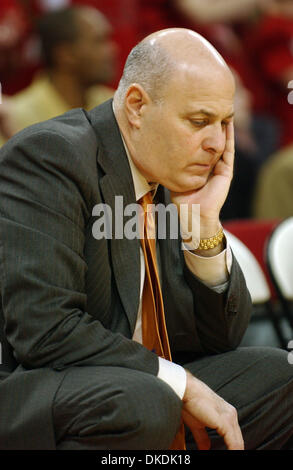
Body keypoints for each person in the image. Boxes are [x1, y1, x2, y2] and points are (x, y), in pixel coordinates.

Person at [0, 27, 293, 451]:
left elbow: (220, 340)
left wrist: (204, 229)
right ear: (137, 105)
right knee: (149, 401)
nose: (215, 144)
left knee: (280, 375)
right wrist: (180, 384)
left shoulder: (168, 171)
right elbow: (46, 330)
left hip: (134, 386)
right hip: (33, 388)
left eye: (224, 124)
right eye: (199, 121)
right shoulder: (50, 157)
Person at [0, 6, 117, 144]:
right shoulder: (15, 117)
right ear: (65, 55)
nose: (112, 49)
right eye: (99, 41)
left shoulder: (116, 106)